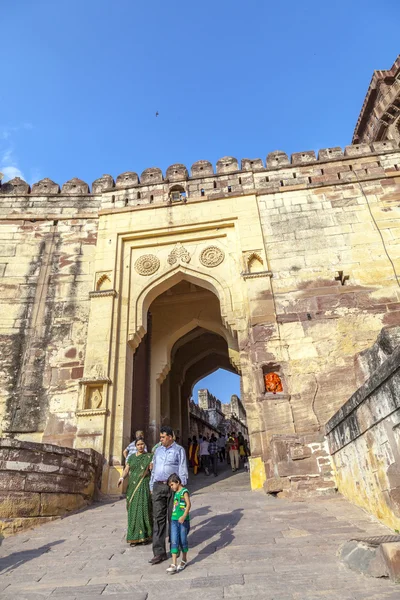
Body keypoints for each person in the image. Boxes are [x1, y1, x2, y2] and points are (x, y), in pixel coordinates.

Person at [149, 425, 188, 565]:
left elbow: (182, 468)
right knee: (158, 519)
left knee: (173, 518)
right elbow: (154, 469)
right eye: (160, 437)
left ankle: (174, 547)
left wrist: (181, 488)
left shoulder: (179, 450)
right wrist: (151, 485)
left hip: (173, 487)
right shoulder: (158, 451)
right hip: (158, 486)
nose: (161, 440)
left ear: (170, 437)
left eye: (163, 437)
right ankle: (159, 552)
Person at [118, 439, 152, 546]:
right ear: (135, 446)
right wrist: (122, 478)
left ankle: (145, 536)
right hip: (132, 486)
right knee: (133, 511)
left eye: (142, 444)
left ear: (144, 445)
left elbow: (152, 469)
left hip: (143, 485)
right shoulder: (131, 457)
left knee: (143, 508)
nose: (140, 446)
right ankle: (133, 537)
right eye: (138, 444)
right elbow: (127, 469)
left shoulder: (149, 456)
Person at [166, 473, 191, 574]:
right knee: (174, 540)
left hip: (183, 520)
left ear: (178, 482)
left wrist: (184, 515)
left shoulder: (184, 492)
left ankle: (184, 559)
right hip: (174, 519)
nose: (171, 487)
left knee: (183, 540)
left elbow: (188, 504)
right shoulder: (175, 493)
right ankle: (174, 563)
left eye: (172, 485)